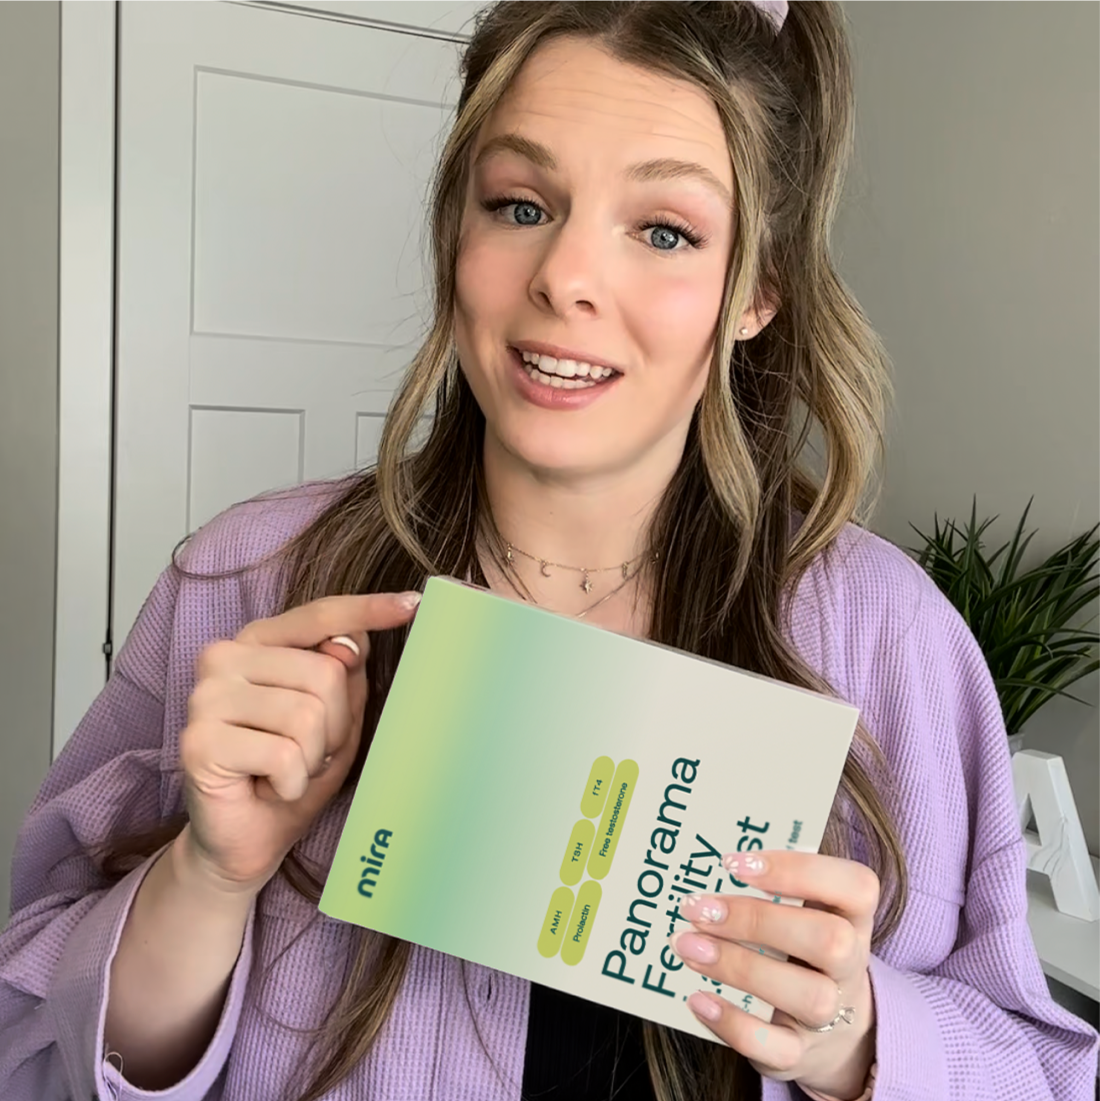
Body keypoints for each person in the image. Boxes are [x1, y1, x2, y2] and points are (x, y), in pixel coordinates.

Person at [3, 0, 1099, 1097]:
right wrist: (208, 876)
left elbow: (1040, 1070)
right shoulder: (245, 581)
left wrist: (851, 1039)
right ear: (457, 231)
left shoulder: (892, 638)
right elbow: (32, 1047)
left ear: (758, 289)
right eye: (519, 205)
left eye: (663, 230)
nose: (564, 278)